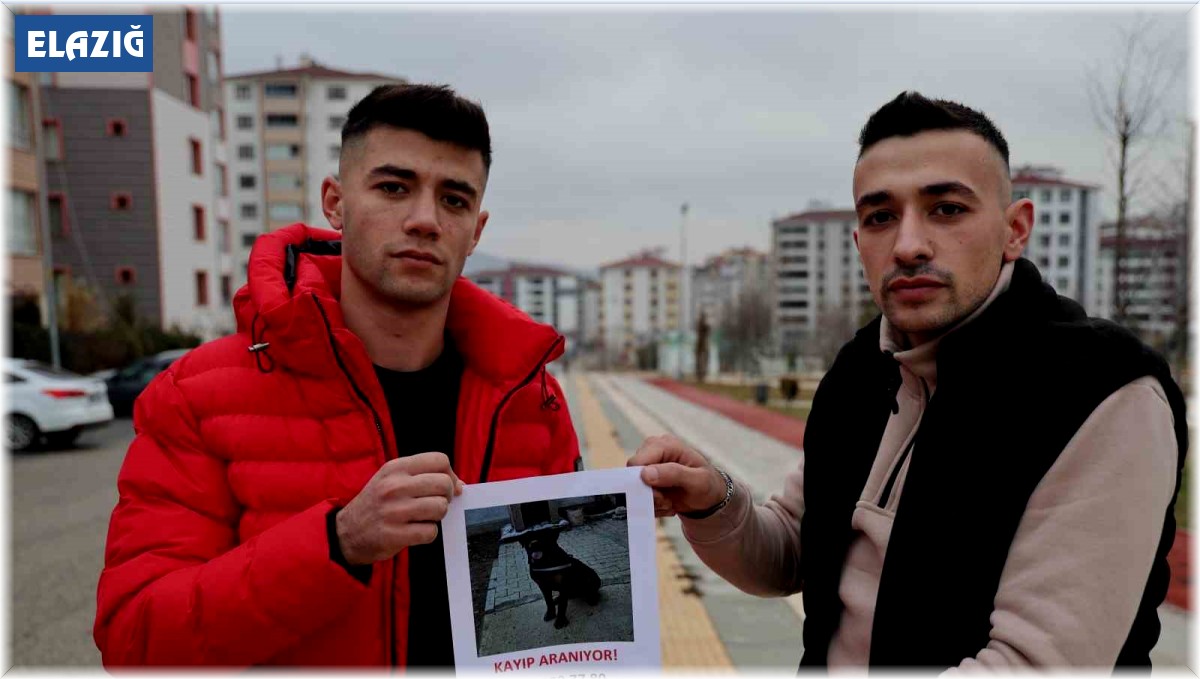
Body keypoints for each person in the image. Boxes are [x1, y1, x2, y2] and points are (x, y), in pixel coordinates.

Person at [630, 91, 1187, 669]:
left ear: (1014, 229)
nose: (908, 245)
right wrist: (712, 500)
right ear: (858, 243)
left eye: (946, 209)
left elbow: (1034, 663)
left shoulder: (1101, 393)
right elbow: (793, 550)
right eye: (880, 217)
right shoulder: (863, 367)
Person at [94, 84, 581, 667]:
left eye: (453, 200)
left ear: (475, 231)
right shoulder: (196, 396)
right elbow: (134, 641)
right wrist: (338, 543)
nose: (424, 220)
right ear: (335, 203)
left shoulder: (531, 396)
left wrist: (648, 503)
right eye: (393, 188)